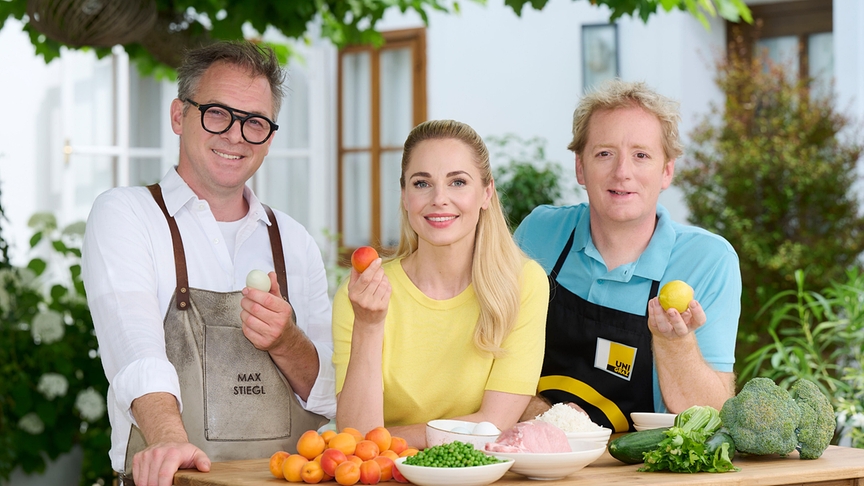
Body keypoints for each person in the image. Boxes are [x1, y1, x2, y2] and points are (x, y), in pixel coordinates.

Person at [81, 41, 335, 486]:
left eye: (254, 122)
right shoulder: (127, 214)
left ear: (270, 138)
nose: (236, 135)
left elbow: (332, 394)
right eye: (217, 113)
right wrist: (166, 438)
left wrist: (287, 340)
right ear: (180, 115)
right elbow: (134, 347)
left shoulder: (294, 241)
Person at [514, 79, 741, 432]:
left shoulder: (708, 260)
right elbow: (488, 349)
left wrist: (674, 342)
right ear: (579, 167)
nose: (622, 172)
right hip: (535, 459)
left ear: (667, 171)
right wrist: (536, 414)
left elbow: (711, 417)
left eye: (641, 155)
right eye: (604, 153)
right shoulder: (540, 234)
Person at [332, 120, 549, 447]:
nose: (439, 199)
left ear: (486, 193)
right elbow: (356, 437)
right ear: (405, 196)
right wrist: (369, 324)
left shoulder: (523, 283)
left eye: (458, 182)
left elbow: (494, 424)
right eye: (422, 184)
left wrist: (383, 439)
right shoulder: (363, 294)